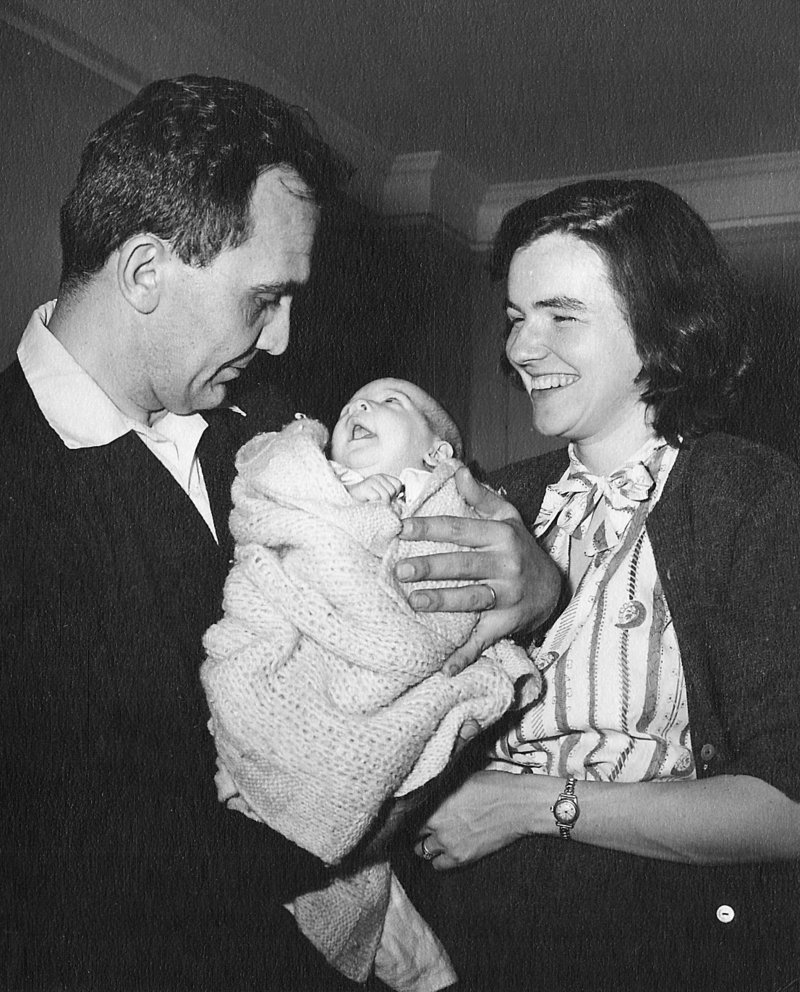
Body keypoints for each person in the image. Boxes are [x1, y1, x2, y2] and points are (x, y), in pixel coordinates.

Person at [0, 75, 560, 991]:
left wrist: (534, 585)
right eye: (264, 299)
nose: (286, 339)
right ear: (145, 272)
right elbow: (149, 865)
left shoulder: (280, 431)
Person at [393, 179, 800, 992]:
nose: (519, 348)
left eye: (560, 316)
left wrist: (530, 803)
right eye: (515, 318)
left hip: (659, 952)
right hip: (468, 949)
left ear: (657, 326)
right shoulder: (491, 497)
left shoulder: (745, 495)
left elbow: (787, 811)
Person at [201, 377, 540, 990]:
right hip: (294, 633)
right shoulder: (315, 481)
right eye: (353, 400)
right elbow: (274, 535)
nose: (359, 405)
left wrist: (384, 508)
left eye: (392, 402)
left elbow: (435, 613)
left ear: (437, 457)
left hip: (378, 651)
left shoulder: (438, 500)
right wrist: (342, 501)